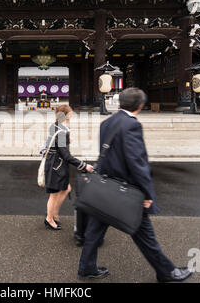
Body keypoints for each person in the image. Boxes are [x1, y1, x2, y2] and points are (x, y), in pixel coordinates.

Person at [77, 88, 193, 283]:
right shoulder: (131, 125)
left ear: (120, 103)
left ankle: (86, 268)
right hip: (126, 191)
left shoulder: (107, 122)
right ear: (140, 106)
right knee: (145, 236)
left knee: (94, 232)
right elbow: (137, 163)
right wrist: (147, 194)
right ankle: (167, 273)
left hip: (104, 188)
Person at [42, 105, 93, 230]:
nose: (72, 114)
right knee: (54, 194)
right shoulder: (61, 131)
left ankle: (53, 213)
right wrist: (83, 165)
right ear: (65, 115)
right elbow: (66, 155)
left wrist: (67, 139)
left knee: (66, 189)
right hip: (56, 166)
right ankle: (49, 218)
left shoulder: (56, 126)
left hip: (56, 164)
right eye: (70, 113)